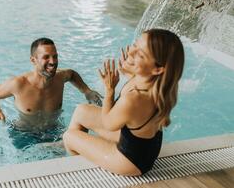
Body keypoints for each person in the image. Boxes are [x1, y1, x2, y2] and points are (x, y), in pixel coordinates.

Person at [63, 29, 185, 176]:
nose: (131, 52)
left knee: (69, 136)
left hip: (131, 161)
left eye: (140, 54)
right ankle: (86, 148)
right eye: (135, 45)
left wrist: (109, 90)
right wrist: (131, 71)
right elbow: (131, 102)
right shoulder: (153, 84)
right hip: (145, 147)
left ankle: (84, 173)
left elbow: (109, 124)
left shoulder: (134, 99)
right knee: (82, 110)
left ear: (158, 69)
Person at [0, 37, 102, 133]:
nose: (53, 62)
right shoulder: (18, 84)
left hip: (53, 131)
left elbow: (72, 74)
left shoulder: (60, 77)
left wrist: (86, 91)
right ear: (33, 60)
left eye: (55, 56)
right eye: (46, 57)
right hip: (23, 133)